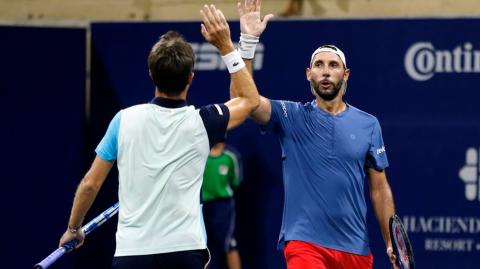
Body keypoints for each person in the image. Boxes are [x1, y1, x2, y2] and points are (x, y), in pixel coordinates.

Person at [58, 4, 260, 269]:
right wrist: (228, 46)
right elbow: (249, 99)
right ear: (191, 77)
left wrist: (74, 228)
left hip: (132, 255)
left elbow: (89, 185)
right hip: (184, 253)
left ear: (151, 74)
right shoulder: (203, 122)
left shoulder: (123, 120)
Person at [233, 0, 399, 268]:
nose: (325, 71)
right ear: (309, 74)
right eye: (319, 65)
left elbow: (379, 188)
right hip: (305, 245)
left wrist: (390, 239)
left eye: (333, 65)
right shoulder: (290, 115)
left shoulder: (369, 125)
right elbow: (244, 99)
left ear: (345, 75)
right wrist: (248, 42)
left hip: (355, 249)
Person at [202, 141, 242, 269]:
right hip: (202, 206)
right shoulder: (200, 153)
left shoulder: (231, 156)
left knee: (229, 243)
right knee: (202, 246)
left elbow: (236, 181)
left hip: (223, 206)